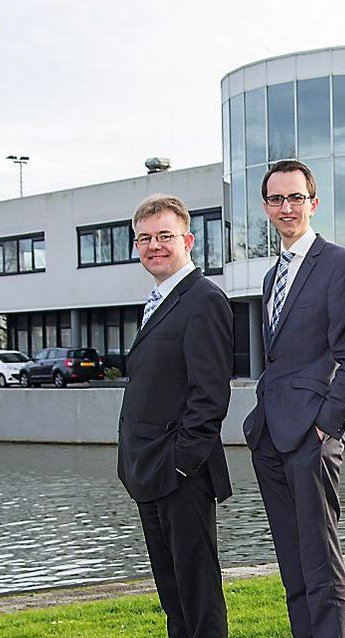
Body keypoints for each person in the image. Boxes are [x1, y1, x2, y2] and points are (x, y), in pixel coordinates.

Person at [243, 160, 345, 638]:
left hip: (312, 437)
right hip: (271, 435)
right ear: (266, 208)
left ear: (313, 203)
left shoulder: (338, 264)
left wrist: (327, 425)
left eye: (296, 197)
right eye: (277, 199)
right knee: (292, 565)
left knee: (320, 563)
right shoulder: (272, 274)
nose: (287, 207)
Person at [117, 193, 234, 638]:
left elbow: (209, 396)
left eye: (165, 235)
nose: (154, 245)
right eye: (144, 238)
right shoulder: (159, 299)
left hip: (180, 472)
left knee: (198, 591)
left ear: (187, 239)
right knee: (173, 594)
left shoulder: (203, 299)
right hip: (147, 469)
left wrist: (182, 464)